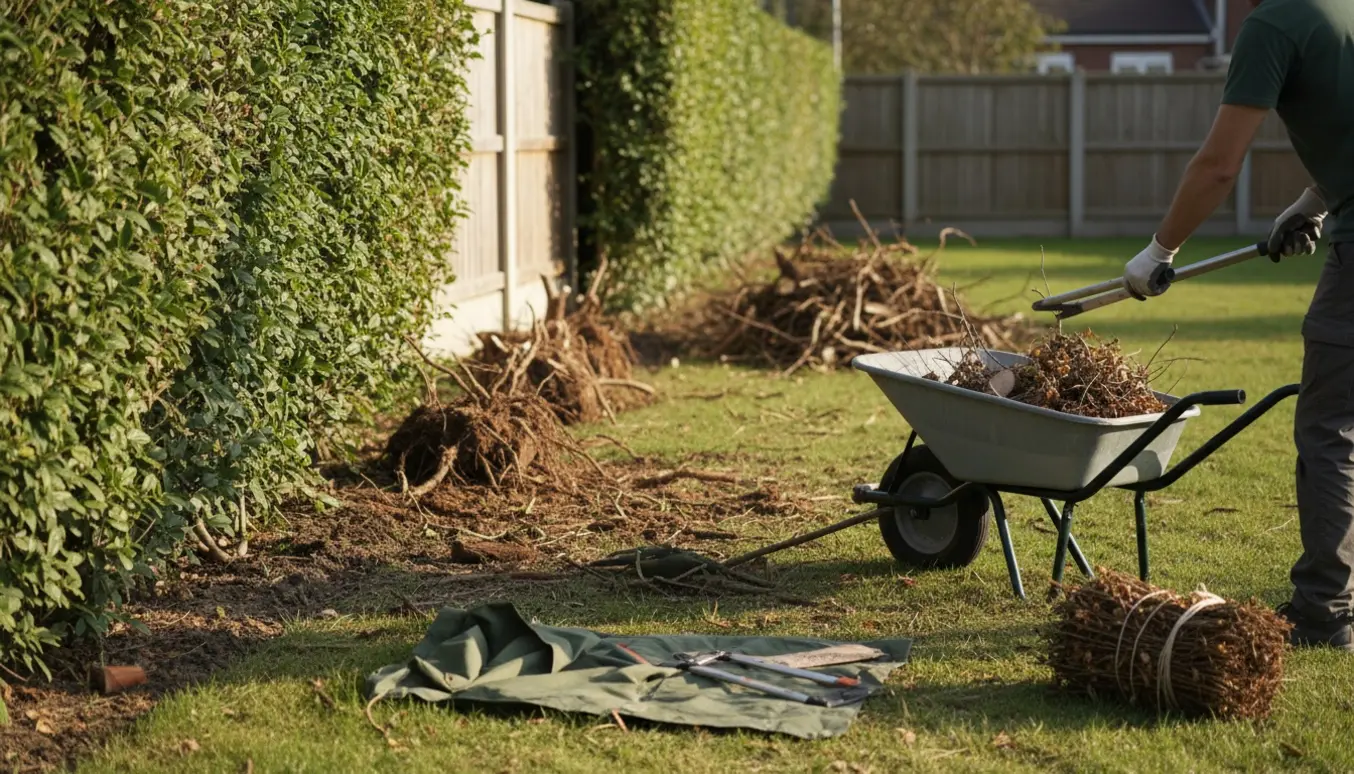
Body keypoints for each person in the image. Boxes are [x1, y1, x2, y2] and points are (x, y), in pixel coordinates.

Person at [1121, 0, 1354, 650]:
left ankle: (1325, 612)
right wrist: (1312, 202)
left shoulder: (1273, 24)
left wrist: (1160, 251)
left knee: (1331, 429)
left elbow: (1219, 165)